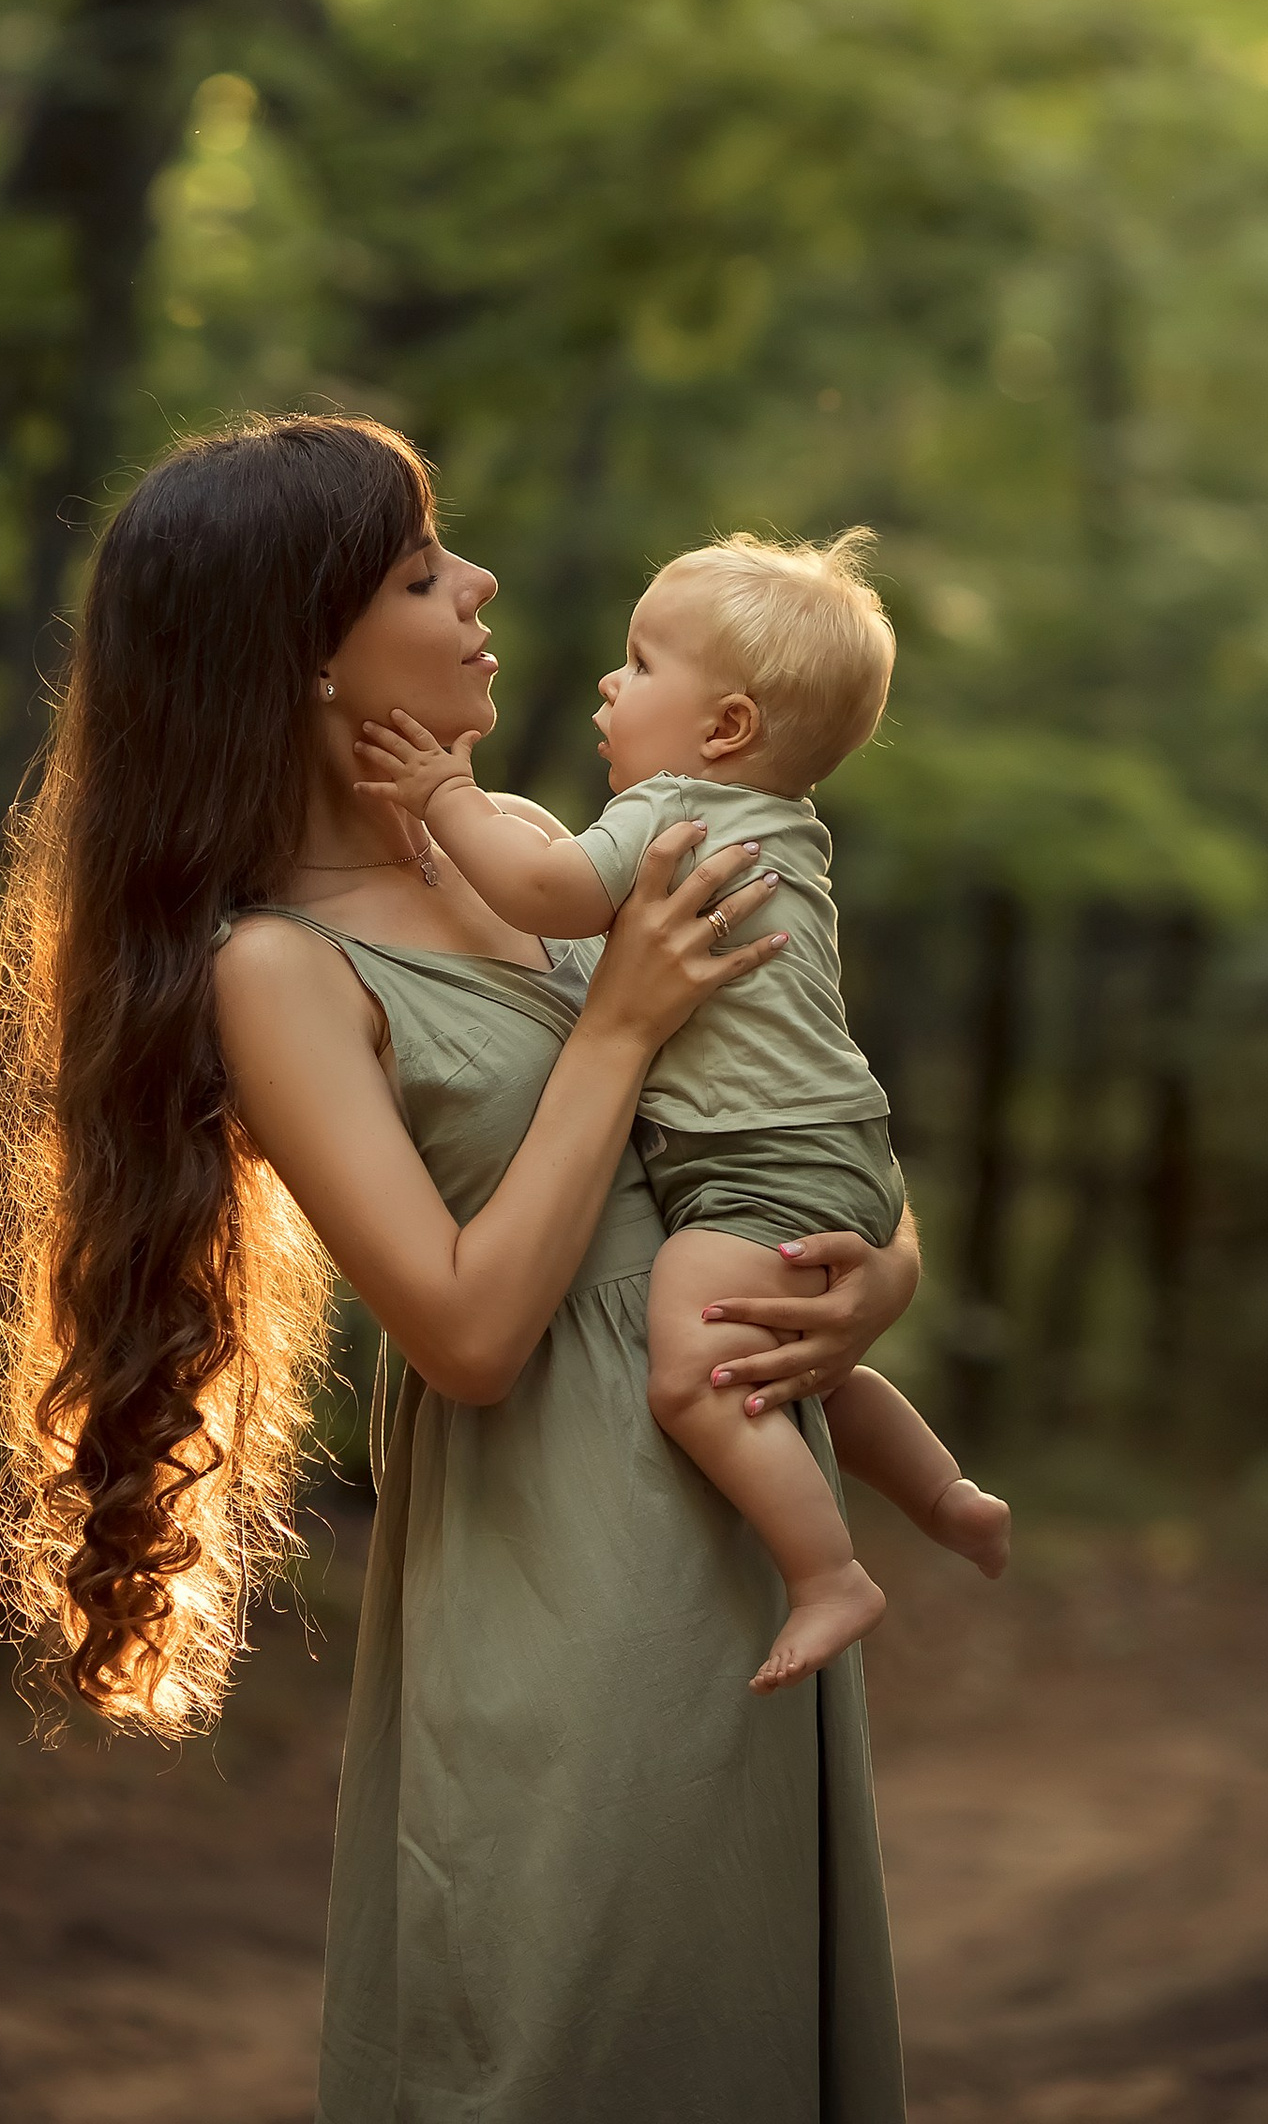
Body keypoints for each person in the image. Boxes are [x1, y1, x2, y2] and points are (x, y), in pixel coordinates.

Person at [0, 413, 915, 2123]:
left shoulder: (539, 856)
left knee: (747, 2021)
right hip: (567, 1553)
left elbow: (788, 1102)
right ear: (305, 659)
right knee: (580, 2036)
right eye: (420, 573)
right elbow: (469, 1332)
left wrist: (883, 1274)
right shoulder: (279, 969)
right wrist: (614, 1029)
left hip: (743, 1508)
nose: (478, 586)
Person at [354, 528, 1011, 1691]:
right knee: (790, 1368)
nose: (611, 685)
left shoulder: (677, 812)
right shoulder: (783, 827)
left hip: (761, 1164)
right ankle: (944, 1492)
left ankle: (828, 1574)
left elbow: (549, 889)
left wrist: (445, 795)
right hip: (830, 1151)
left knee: (695, 1373)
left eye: (641, 665)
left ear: (726, 729)